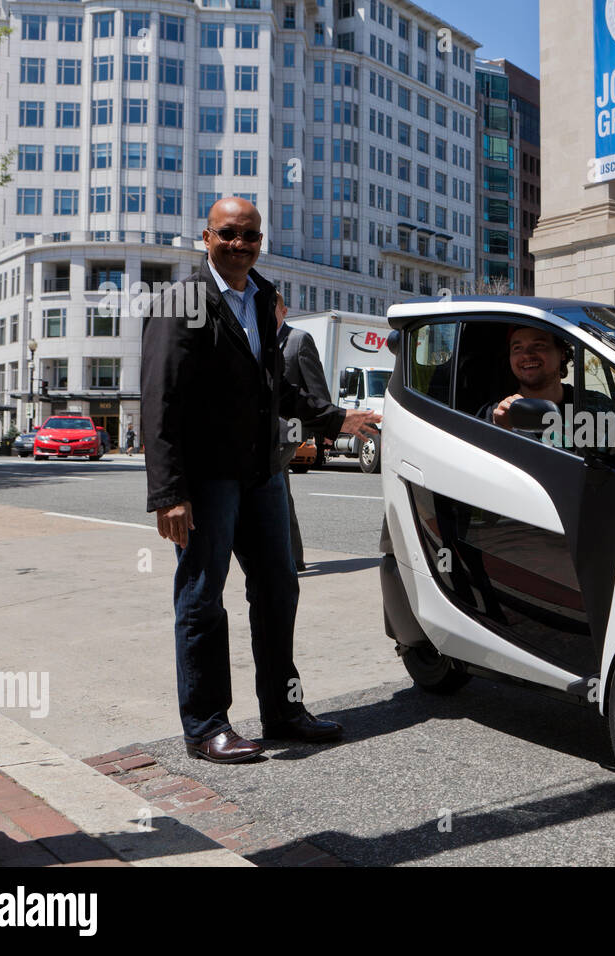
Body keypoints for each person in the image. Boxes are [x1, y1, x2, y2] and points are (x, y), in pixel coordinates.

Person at [141, 197, 382, 764]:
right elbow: (161, 401)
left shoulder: (264, 298)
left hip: (262, 473)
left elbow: (274, 387)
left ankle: (283, 709)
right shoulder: (182, 302)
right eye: (228, 234)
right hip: (206, 480)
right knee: (202, 597)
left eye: (249, 235)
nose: (239, 244)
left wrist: (334, 418)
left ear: (260, 240)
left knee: (279, 589)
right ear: (206, 237)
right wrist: (168, 493)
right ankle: (206, 726)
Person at [275, 289, 331, 572]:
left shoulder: (298, 340)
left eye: (272, 309)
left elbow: (318, 389)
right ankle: (292, 558)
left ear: (283, 312)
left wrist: (320, 428)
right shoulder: (257, 342)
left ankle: (287, 559)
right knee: (280, 493)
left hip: (288, 434)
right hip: (262, 432)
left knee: (272, 489)